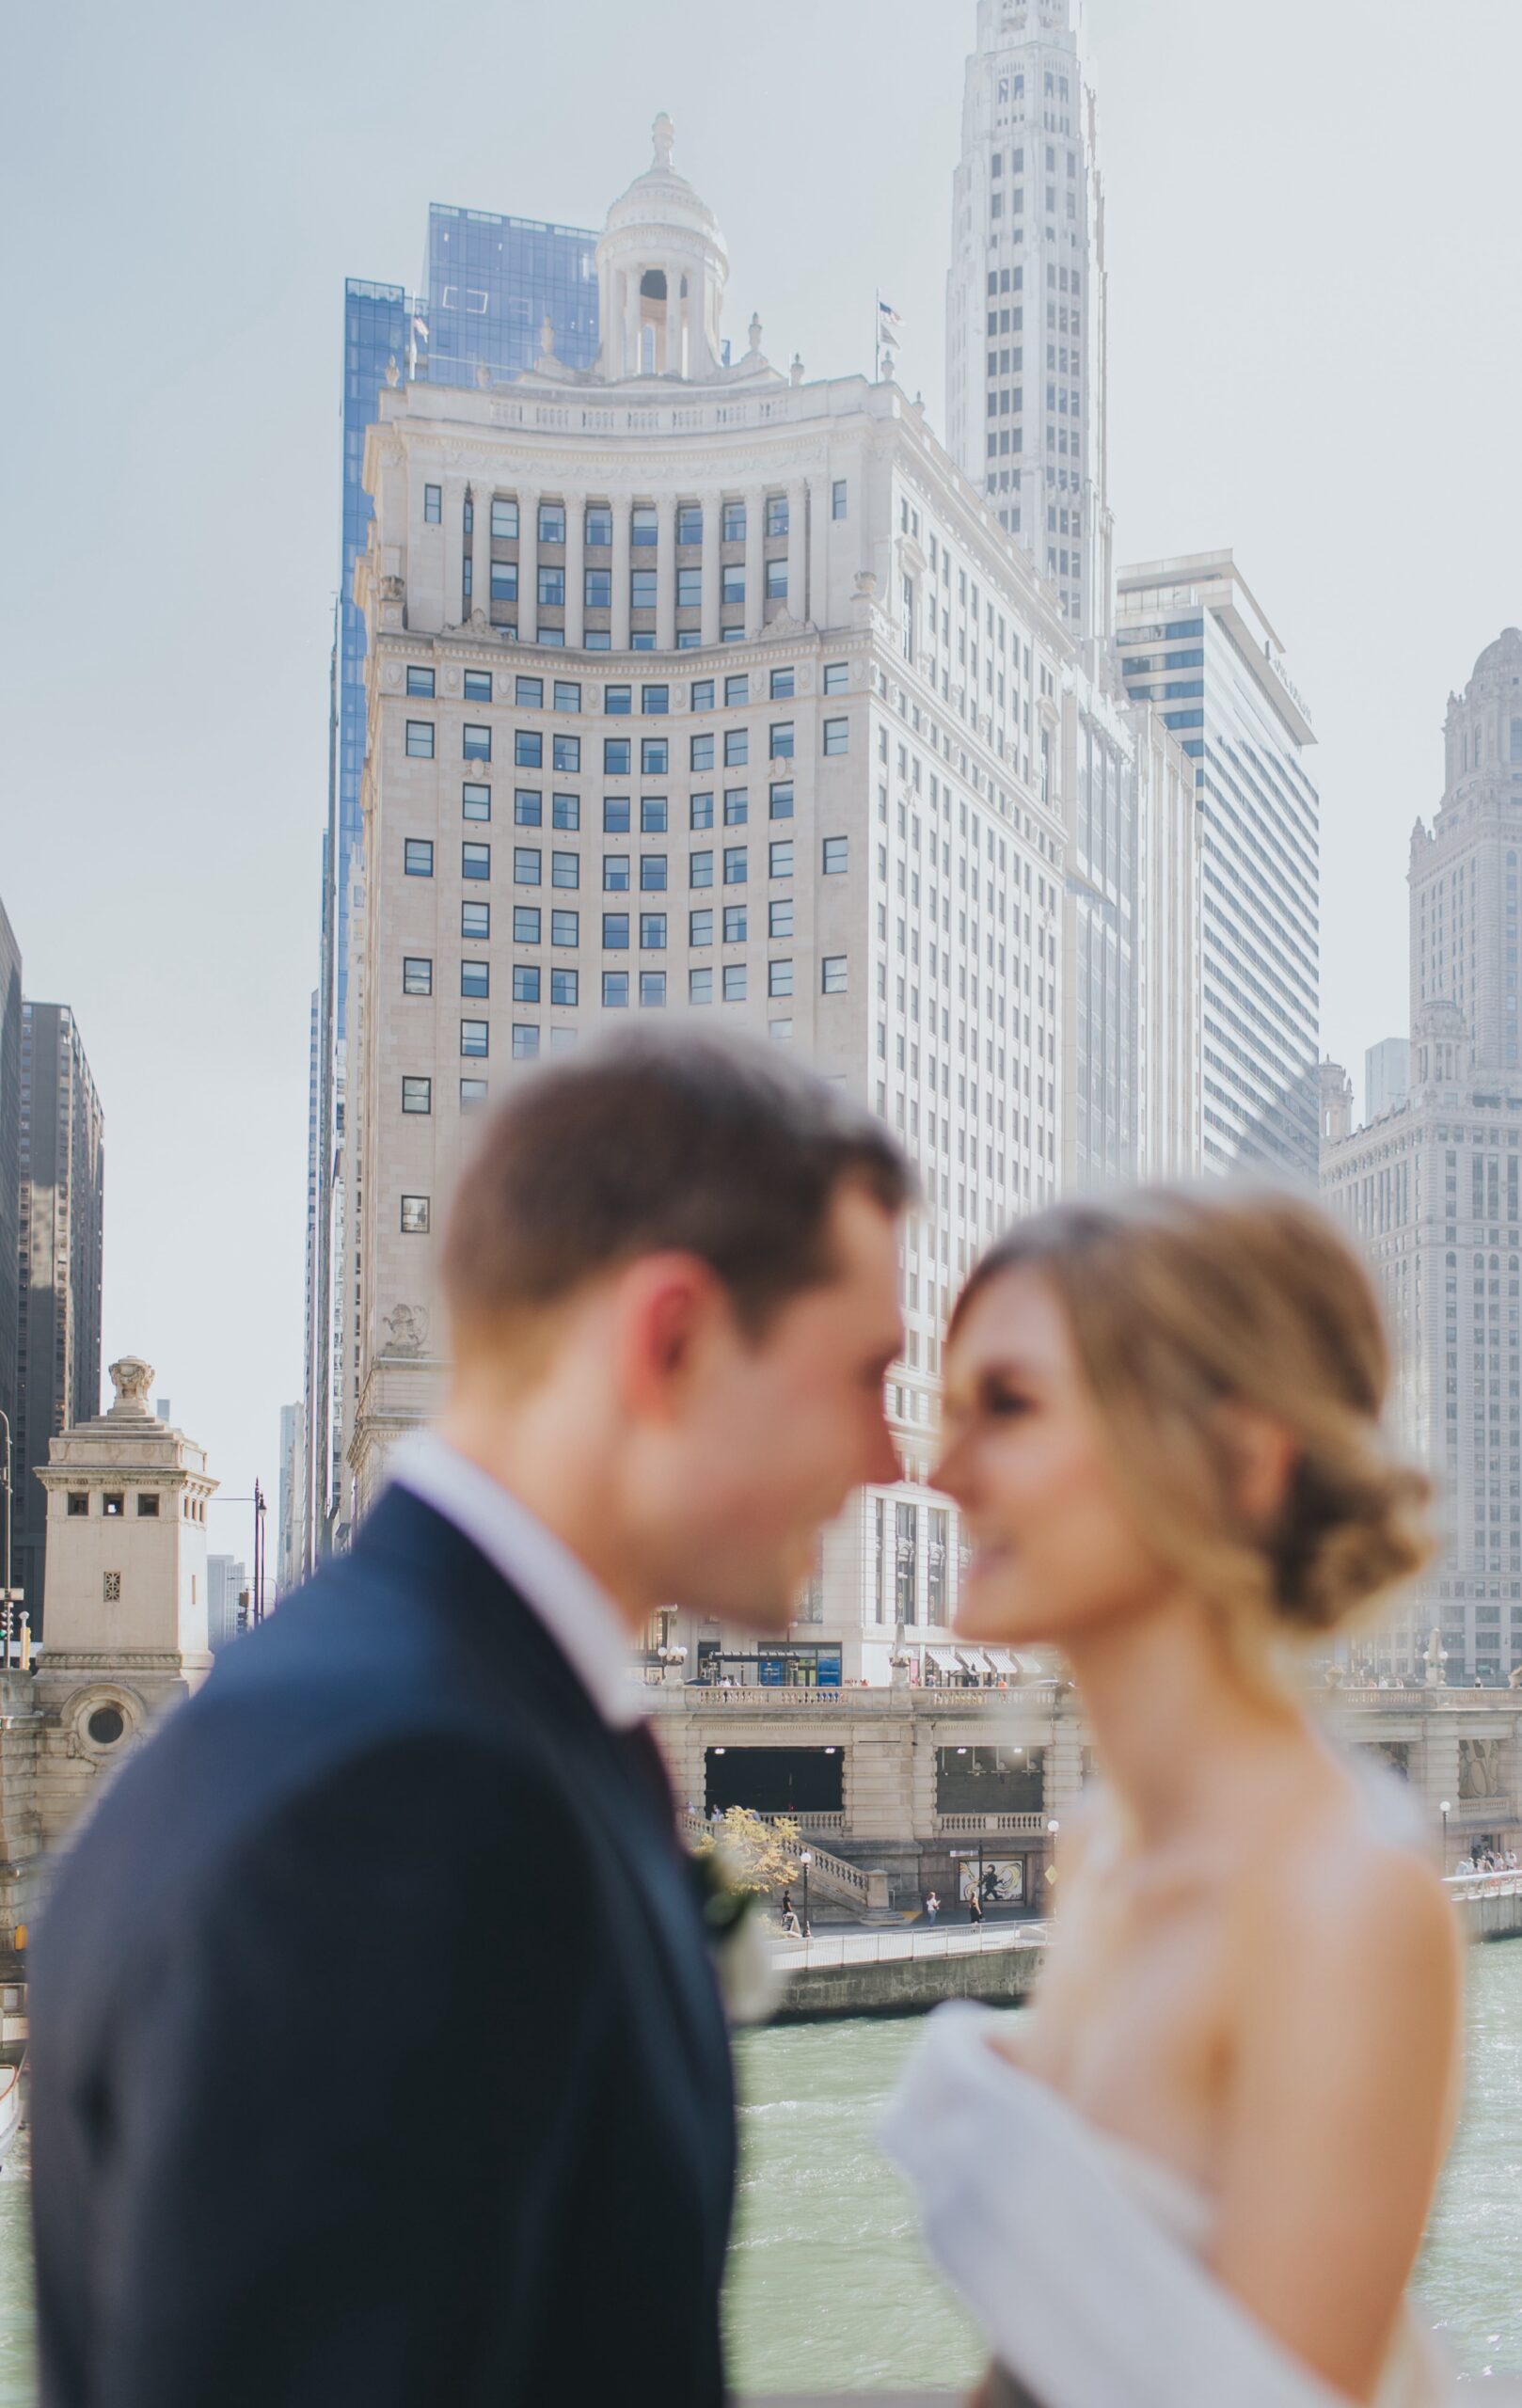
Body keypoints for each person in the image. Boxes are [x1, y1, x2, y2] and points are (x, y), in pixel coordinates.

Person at [29, 1032, 909, 2408]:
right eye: (858, 1374)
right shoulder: (409, 1803)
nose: (888, 1457)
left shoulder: (373, 1712)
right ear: (670, 1338)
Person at [883, 1188, 1464, 2407]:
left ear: (1238, 1465)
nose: (941, 1472)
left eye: (1009, 1406)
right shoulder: (1097, 1849)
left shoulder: (1347, 1905)